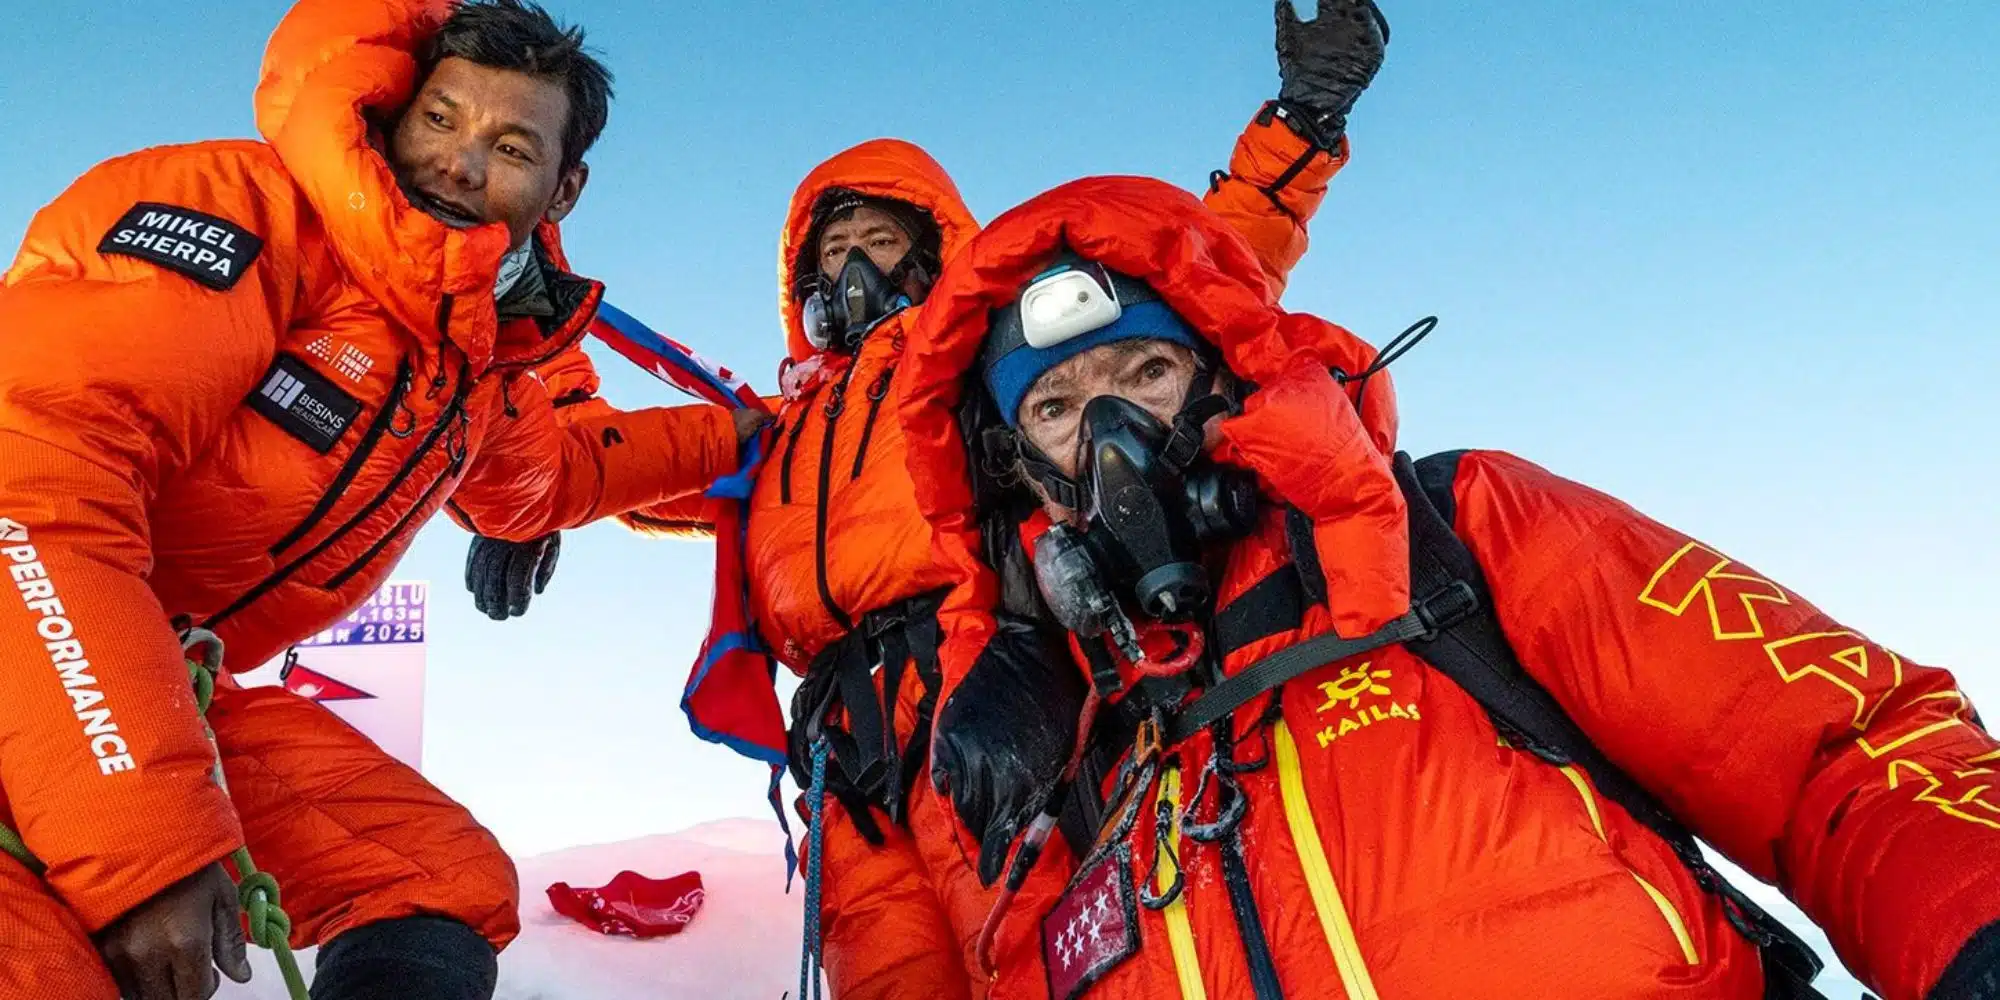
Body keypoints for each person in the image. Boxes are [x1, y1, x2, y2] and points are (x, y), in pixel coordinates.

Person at [461, 5, 1392, 996]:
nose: (856, 268)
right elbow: (570, 463)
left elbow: (1190, 266)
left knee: (1038, 959)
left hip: (986, 689)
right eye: (835, 251)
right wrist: (521, 469)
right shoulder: (763, 431)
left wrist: (1300, 125)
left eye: (880, 239)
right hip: (840, 754)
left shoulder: (976, 383)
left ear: (932, 252)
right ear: (806, 280)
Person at [893, 174, 2000, 1000]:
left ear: (1221, 376)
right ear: (1020, 472)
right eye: (1059, 410)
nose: (1115, 438)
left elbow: (1835, 746)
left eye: (1146, 374)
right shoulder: (1066, 727)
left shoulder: (1461, 526)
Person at [0, 0, 761, 997]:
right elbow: (34, 484)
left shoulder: (468, 360)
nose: (458, 161)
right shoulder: (242, 212)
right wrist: (142, 843)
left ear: (563, 186)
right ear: (395, 113)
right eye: (440, 118)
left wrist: (743, 436)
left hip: (150, 671)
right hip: (42, 635)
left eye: (511, 144)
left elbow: (551, 474)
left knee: (431, 878)